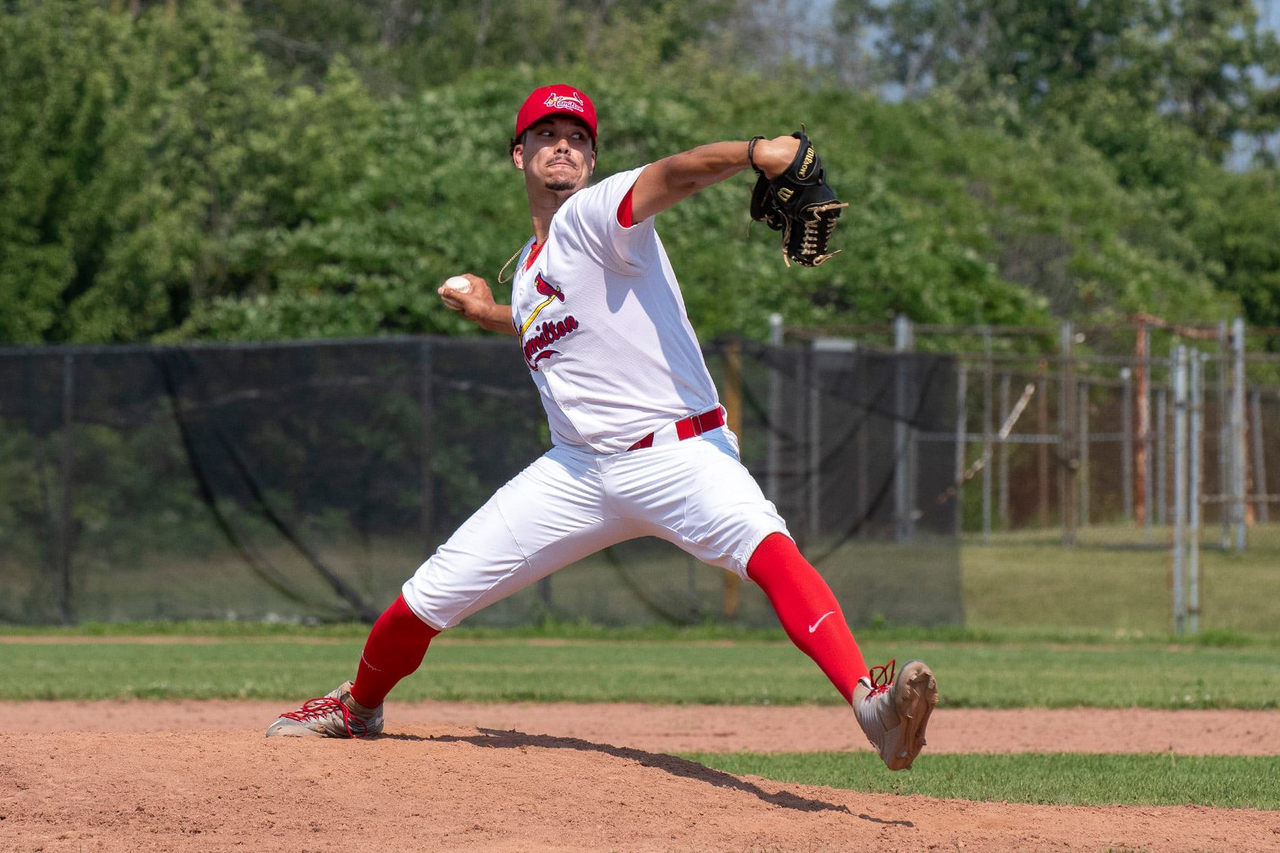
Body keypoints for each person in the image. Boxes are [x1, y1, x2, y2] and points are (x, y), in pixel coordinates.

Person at [266, 85, 938, 771]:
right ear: (518, 154)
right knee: (426, 597)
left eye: (578, 137)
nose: (564, 145)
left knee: (769, 550)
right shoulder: (529, 272)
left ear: (591, 159)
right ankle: (358, 707)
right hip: (576, 473)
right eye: (547, 133)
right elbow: (536, 317)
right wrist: (483, 310)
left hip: (680, 452)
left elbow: (676, 173)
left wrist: (753, 153)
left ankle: (872, 707)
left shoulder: (596, 214)